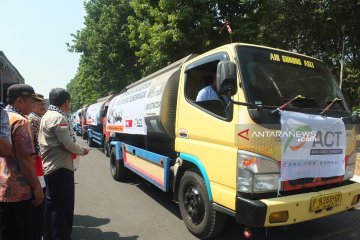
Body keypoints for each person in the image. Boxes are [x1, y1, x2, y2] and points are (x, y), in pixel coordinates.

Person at [39, 88, 89, 240]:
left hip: (51, 166)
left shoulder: (47, 115)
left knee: (51, 204)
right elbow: (66, 143)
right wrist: (82, 150)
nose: (70, 104)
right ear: (66, 101)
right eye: (70, 101)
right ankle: (61, 236)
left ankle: (49, 235)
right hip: (60, 167)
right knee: (62, 207)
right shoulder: (58, 118)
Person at [0, 84, 44, 240]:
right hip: (22, 192)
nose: (33, 105)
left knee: (8, 232)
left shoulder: (4, 116)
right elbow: (25, 159)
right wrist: (37, 187)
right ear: (20, 101)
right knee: (28, 233)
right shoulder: (20, 121)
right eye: (31, 101)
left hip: (4, 188)